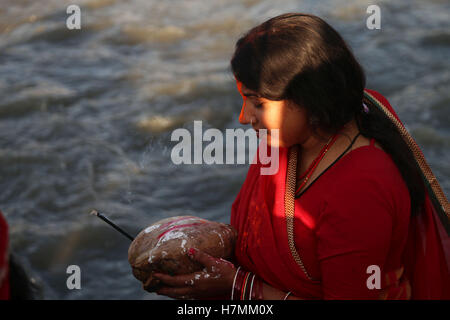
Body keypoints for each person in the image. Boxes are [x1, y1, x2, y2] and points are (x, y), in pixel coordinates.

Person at [148, 13, 450, 300]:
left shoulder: (360, 191)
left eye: (258, 103)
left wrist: (239, 285)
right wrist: (195, 247)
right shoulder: (295, 139)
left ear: (309, 99)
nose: (243, 117)